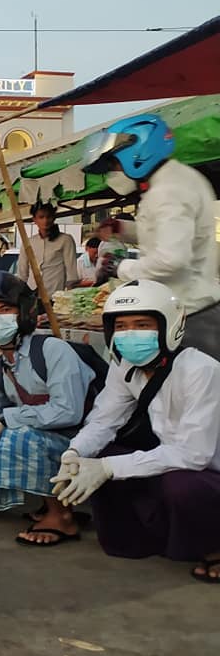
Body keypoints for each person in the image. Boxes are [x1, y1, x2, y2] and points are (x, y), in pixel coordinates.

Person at [49, 280, 220, 582]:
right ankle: (142, 541)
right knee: (103, 455)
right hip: (175, 457)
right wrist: (75, 453)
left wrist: (107, 467)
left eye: (142, 324)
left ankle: (213, 548)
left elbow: (194, 454)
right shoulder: (124, 365)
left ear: (169, 326)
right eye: (122, 326)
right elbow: (104, 420)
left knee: (182, 485)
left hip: (207, 467)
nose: (131, 335)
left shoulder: (201, 370)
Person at [0, 270, 95, 546]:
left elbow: (69, 410)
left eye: (5, 309)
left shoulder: (52, 350)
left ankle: (62, 517)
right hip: (52, 439)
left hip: (83, 441)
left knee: (19, 435)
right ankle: (51, 503)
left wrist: (6, 417)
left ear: (22, 312)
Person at [82, 113, 220, 360]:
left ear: (137, 154)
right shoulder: (175, 180)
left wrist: (120, 266)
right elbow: (166, 234)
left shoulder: (168, 192)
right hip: (192, 308)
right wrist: (122, 230)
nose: (113, 175)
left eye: (113, 166)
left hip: (192, 315)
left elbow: (171, 259)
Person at [16, 200, 79, 296]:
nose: (45, 220)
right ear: (35, 219)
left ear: (54, 218)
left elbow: (71, 271)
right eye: (41, 217)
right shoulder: (28, 242)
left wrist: (70, 295)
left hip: (55, 294)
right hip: (33, 294)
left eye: (48, 217)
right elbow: (22, 272)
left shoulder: (65, 240)